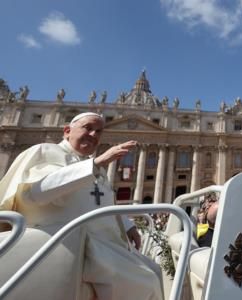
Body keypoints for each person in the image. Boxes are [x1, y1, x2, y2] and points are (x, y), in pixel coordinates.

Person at [0, 112, 162, 300]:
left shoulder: (88, 165)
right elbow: (36, 193)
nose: (94, 135)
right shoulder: (45, 151)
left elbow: (98, 203)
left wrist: (127, 225)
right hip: (68, 242)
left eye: (98, 132)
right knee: (147, 282)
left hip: (98, 243)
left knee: (155, 269)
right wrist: (97, 163)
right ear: (67, 131)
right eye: (88, 128)